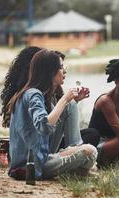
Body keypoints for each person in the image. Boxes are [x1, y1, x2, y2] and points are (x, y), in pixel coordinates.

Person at [7, 49, 97, 179]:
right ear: (49, 72)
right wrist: (64, 99)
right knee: (90, 151)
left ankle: (76, 157)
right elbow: (44, 126)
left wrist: (71, 101)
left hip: (42, 155)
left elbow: (52, 122)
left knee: (70, 105)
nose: (64, 71)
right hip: (30, 166)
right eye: (60, 67)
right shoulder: (33, 94)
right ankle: (78, 166)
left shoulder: (36, 93)